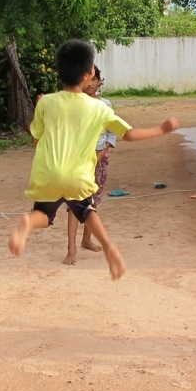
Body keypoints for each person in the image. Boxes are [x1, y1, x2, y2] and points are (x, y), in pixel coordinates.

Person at [9, 39, 179, 279]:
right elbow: (128, 134)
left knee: (44, 215)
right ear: (88, 74)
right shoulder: (99, 108)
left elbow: (36, 140)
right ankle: (108, 246)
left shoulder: (46, 103)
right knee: (87, 210)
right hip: (77, 176)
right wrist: (161, 129)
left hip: (47, 174)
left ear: (60, 72)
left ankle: (27, 222)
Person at [63, 65, 116, 265]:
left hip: (100, 159)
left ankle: (86, 239)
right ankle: (71, 248)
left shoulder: (106, 105)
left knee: (92, 201)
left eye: (93, 79)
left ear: (99, 81)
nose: (90, 83)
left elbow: (112, 131)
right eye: (86, 79)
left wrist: (103, 153)